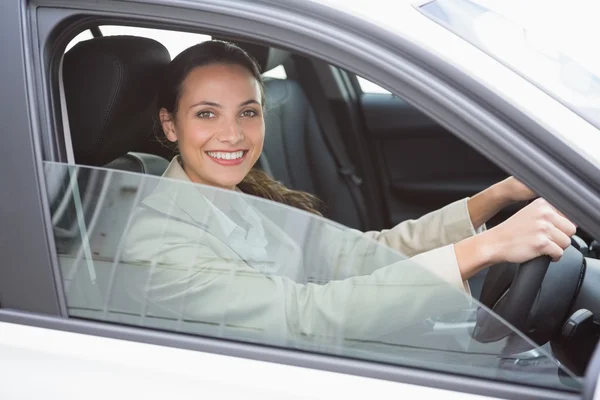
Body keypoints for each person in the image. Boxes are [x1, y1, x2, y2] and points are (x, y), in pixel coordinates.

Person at [122, 40, 576, 345]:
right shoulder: (157, 242)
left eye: (248, 112)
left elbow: (353, 255)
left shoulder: (242, 196)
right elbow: (304, 317)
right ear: (169, 124)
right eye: (206, 114)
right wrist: (486, 247)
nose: (232, 135)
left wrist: (495, 197)